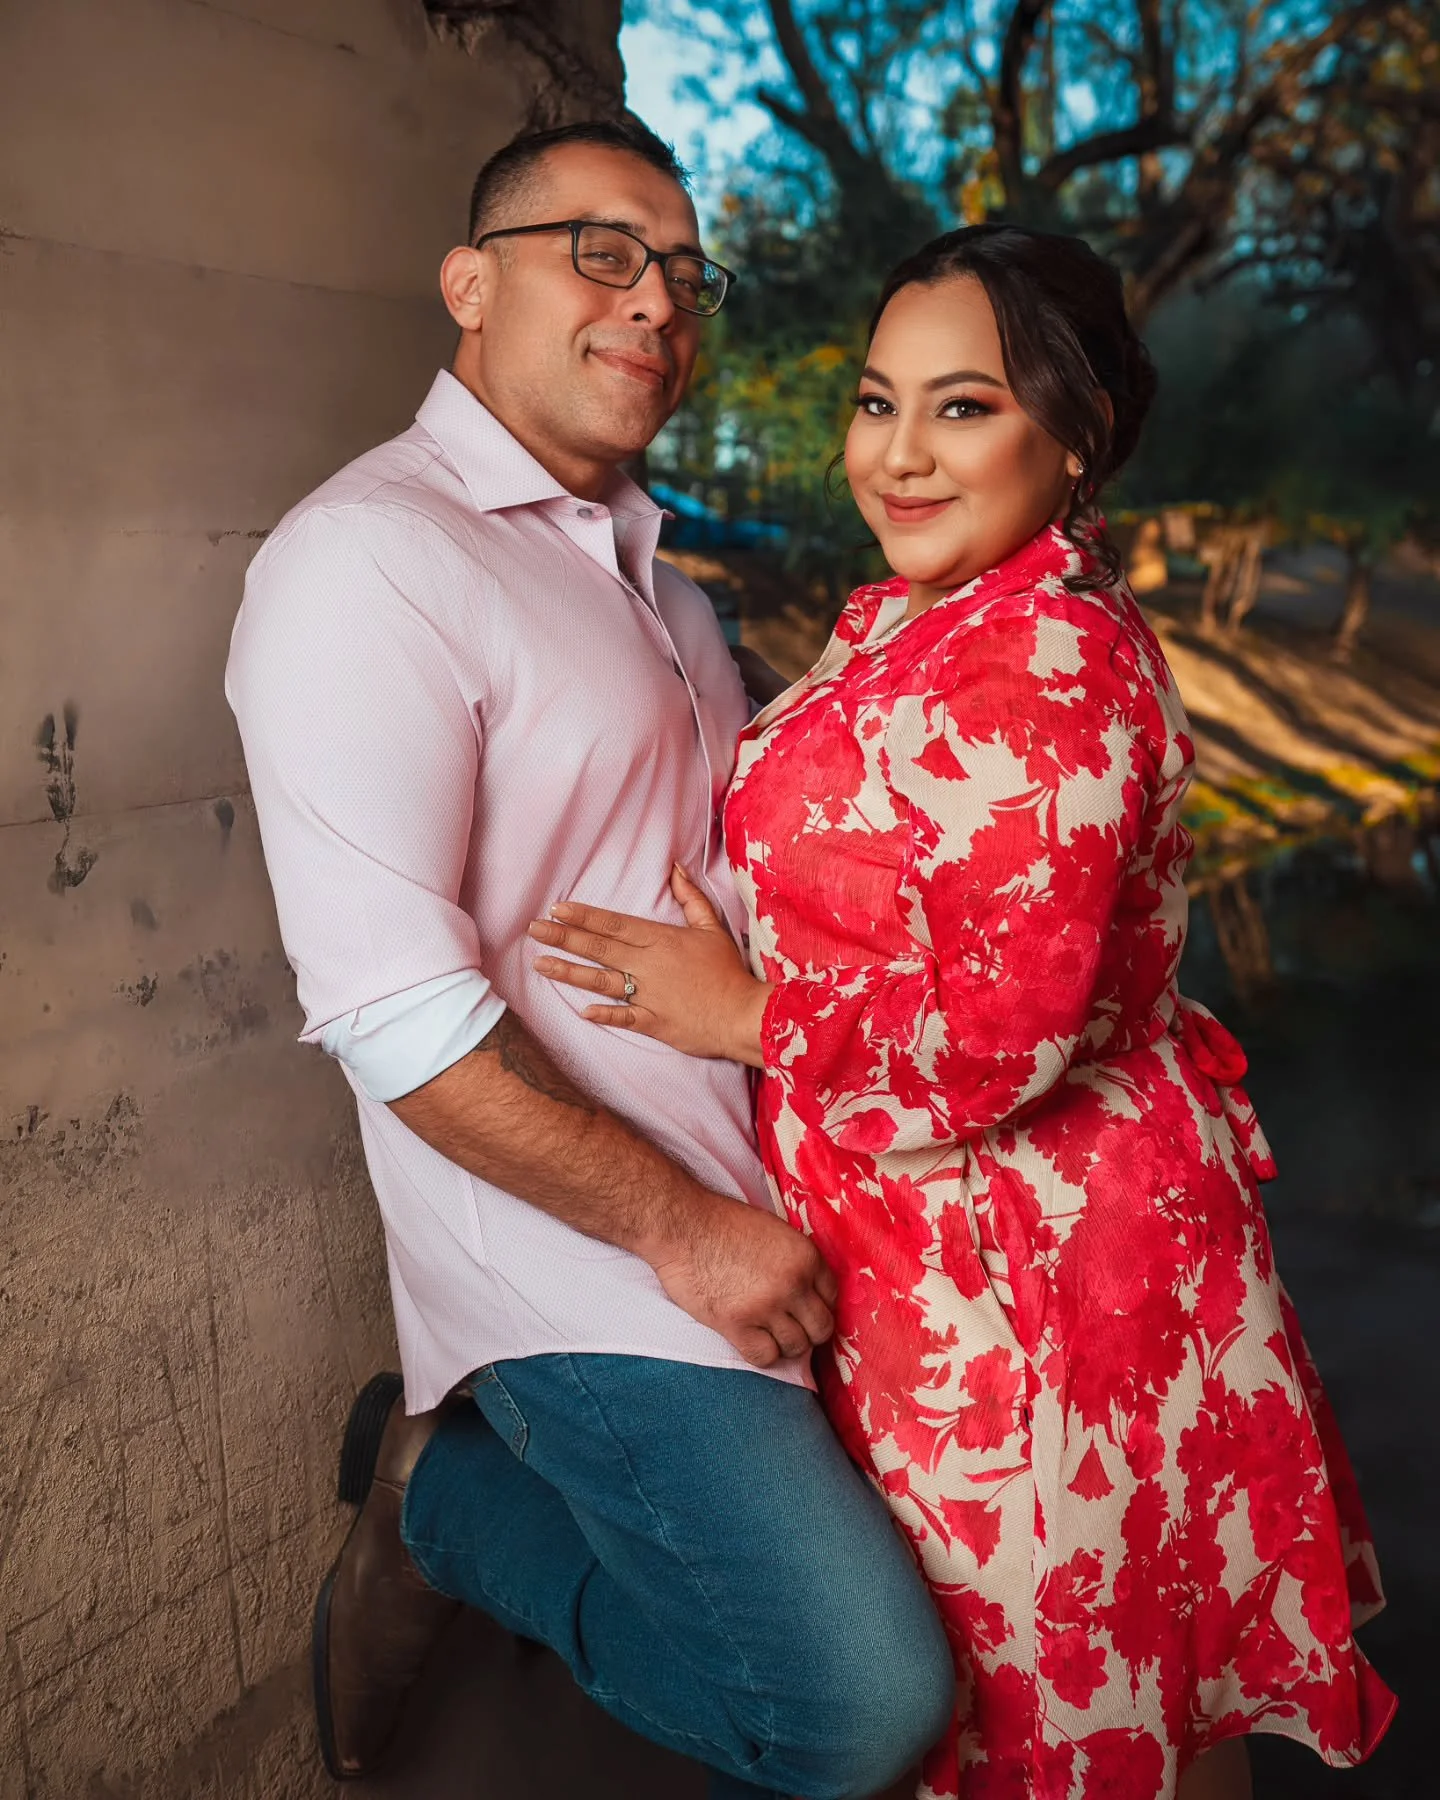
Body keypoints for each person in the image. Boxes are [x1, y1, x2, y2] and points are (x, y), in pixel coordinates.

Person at [528, 224, 1399, 1800]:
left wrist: (742, 1019)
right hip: (943, 1253)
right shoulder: (933, 618)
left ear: (1075, 437)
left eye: (964, 407)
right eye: (878, 403)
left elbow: (1000, 1036)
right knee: (1098, 1690)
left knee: (1071, 1700)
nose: (901, 454)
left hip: (1039, 1273)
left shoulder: (1053, 661)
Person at [225, 119, 953, 1799]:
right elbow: (394, 1015)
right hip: (599, 1257)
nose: (658, 305)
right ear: (470, 286)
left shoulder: (663, 586)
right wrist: (688, 1237)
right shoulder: (367, 563)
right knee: (852, 1706)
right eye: (603, 252)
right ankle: (444, 1499)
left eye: (687, 274)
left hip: (768, 1197)